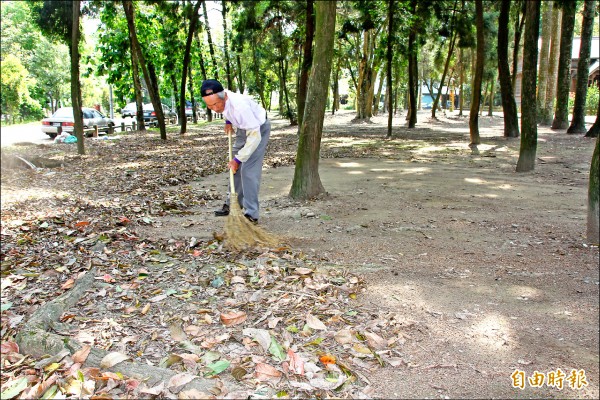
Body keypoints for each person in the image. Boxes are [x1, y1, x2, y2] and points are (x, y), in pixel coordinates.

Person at [201, 79, 270, 224]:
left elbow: (254, 137)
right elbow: (225, 109)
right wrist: (228, 121)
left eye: (215, 104)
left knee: (248, 170)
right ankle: (233, 204)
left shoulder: (241, 107)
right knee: (234, 169)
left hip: (258, 130)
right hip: (243, 129)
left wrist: (238, 159)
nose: (213, 108)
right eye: (209, 105)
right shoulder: (220, 93)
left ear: (224, 97)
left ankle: (251, 213)